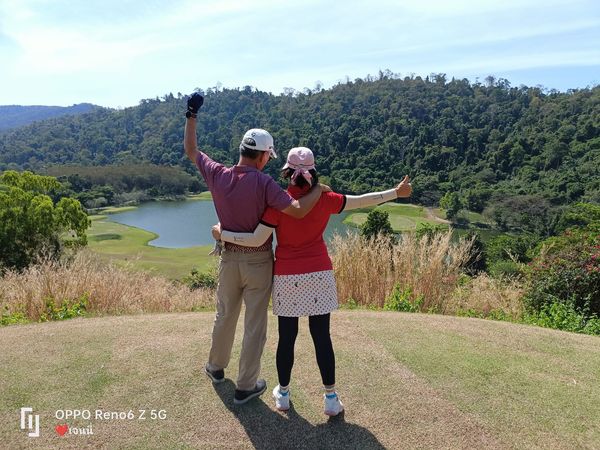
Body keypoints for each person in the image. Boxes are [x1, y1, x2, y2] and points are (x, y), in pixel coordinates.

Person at [213, 147, 412, 416]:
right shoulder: (325, 198)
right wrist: (395, 193)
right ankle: (330, 398)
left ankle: (283, 394)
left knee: (287, 339)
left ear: (286, 172)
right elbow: (363, 200)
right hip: (319, 273)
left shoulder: (279, 201)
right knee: (322, 337)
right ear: (313, 171)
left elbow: (257, 238)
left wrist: (223, 234)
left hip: (286, 275)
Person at [183, 93, 328, 405]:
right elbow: (298, 210)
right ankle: (246, 385)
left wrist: (191, 115)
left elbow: (191, 149)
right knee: (254, 326)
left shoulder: (218, 173)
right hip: (260, 262)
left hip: (229, 259)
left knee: (224, 315)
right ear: (263, 157)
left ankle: (215, 367)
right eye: (268, 158)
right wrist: (316, 187)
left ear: (241, 151)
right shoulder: (265, 185)